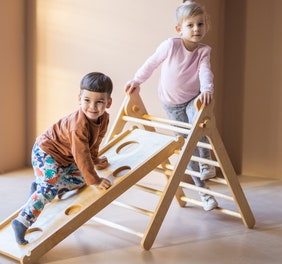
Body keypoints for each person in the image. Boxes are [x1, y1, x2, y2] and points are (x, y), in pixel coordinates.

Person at [124, 0, 218, 211]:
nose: (196, 29)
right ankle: (202, 191)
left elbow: (205, 72)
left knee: (199, 122)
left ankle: (206, 161)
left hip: (193, 99)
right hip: (171, 105)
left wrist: (207, 90)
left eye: (200, 24)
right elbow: (152, 62)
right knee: (187, 144)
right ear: (179, 29)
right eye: (190, 25)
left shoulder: (203, 51)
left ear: (205, 26)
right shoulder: (171, 45)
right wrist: (137, 80)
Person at [12, 72, 113, 244]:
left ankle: (39, 187)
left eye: (99, 102)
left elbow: (93, 145)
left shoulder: (104, 119)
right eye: (87, 100)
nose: (92, 107)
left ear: (108, 103)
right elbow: (81, 155)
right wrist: (95, 179)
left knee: (80, 180)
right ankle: (22, 221)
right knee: (51, 188)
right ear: (79, 98)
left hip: (66, 158)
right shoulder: (78, 127)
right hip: (46, 152)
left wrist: (95, 160)